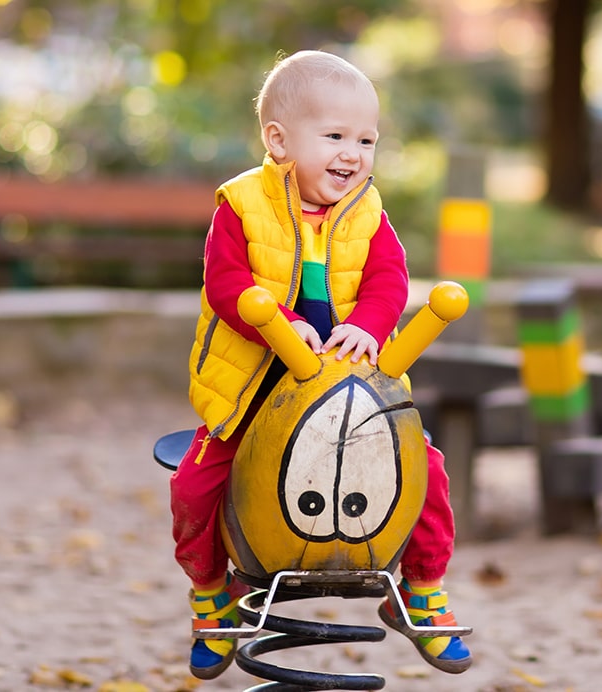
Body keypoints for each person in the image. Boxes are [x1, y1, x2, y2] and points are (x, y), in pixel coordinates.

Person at [169, 49, 472, 680]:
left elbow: (391, 277)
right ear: (279, 141)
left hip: (351, 381)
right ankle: (211, 595)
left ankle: (421, 586)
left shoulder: (367, 209)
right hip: (256, 384)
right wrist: (279, 317)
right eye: (334, 136)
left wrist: (367, 325)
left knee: (429, 473)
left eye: (367, 140)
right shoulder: (242, 205)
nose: (353, 154)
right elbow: (226, 284)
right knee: (195, 483)